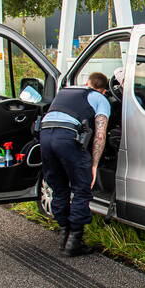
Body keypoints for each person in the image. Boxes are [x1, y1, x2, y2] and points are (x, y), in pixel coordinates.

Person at [38, 72, 112, 256]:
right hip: (67, 138)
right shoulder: (100, 98)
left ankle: (64, 233)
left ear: (87, 83)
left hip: (45, 135)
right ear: (103, 90)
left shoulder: (64, 92)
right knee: (81, 188)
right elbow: (101, 134)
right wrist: (93, 165)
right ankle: (74, 242)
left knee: (59, 188)